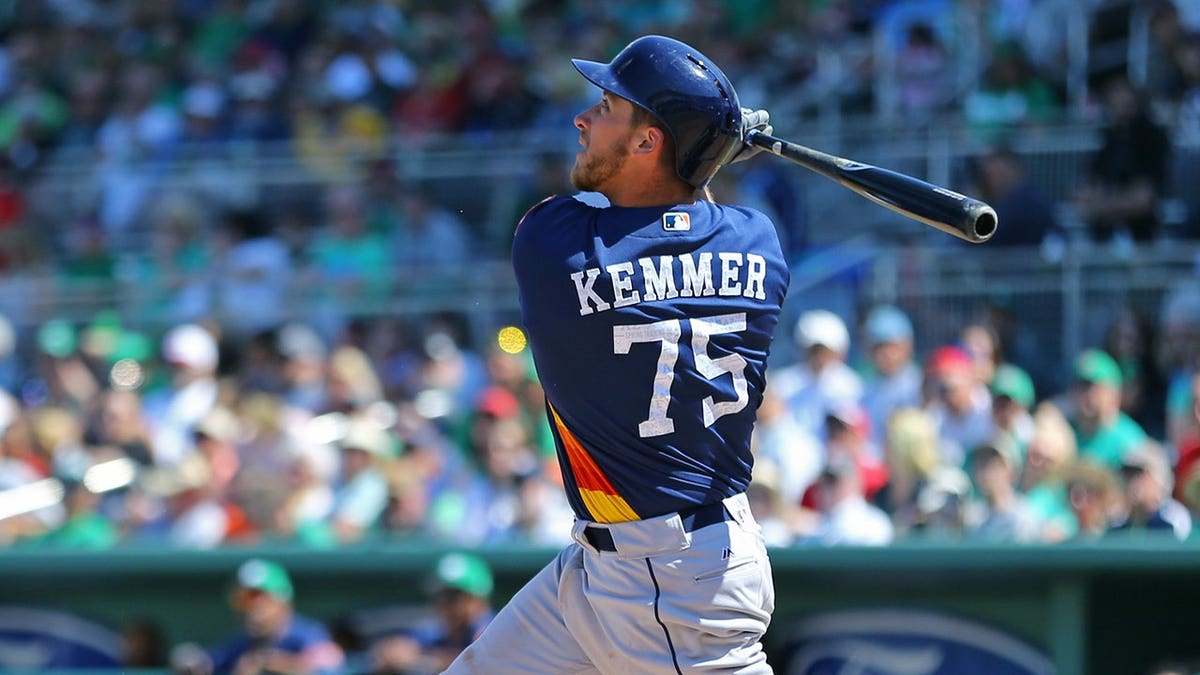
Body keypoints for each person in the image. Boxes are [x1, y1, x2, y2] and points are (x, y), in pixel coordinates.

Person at [446, 35, 787, 674]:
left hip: (675, 585)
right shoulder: (760, 242)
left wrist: (711, 146)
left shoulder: (554, 246)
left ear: (647, 143)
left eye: (606, 109)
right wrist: (707, 149)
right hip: (615, 564)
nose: (583, 119)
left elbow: (617, 214)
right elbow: (693, 216)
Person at [175, 558, 345, 675]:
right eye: (243, 599)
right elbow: (204, 662)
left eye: (258, 597)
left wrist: (271, 664)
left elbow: (327, 669)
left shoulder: (309, 635)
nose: (252, 607)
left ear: (282, 601)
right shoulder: (241, 642)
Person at [370, 552, 496, 674]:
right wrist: (393, 652)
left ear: (478, 599)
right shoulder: (438, 630)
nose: (444, 604)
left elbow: (484, 663)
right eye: (439, 595)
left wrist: (421, 660)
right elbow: (405, 645)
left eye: (453, 597)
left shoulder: (494, 630)